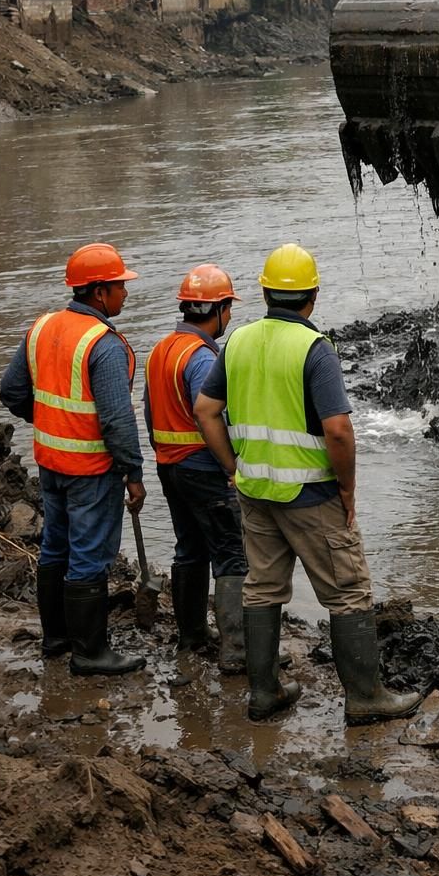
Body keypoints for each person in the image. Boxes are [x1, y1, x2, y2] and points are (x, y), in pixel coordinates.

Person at [194, 243, 422, 725]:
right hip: (313, 493)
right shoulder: (313, 349)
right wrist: (347, 489)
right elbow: (338, 430)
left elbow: (205, 410)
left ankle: (264, 694)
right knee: (349, 593)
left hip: (256, 492)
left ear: (263, 293)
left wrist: (233, 467)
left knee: (262, 589)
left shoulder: (237, 342)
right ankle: (364, 698)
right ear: (312, 297)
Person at [0, 242, 146, 676]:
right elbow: (118, 421)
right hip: (91, 470)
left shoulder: (42, 327)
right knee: (89, 556)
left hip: (50, 462)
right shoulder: (103, 345)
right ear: (99, 293)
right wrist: (134, 474)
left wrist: (48, 421)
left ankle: (57, 638)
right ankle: (90, 653)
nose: (125, 293)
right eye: (120, 286)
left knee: (55, 548)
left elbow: (11, 392)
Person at [144, 263, 246, 673]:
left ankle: (191, 637)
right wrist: (231, 466)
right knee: (231, 555)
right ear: (219, 308)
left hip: (169, 467)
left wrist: (163, 456)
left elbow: (150, 415)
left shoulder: (160, 350)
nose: (230, 316)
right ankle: (236, 650)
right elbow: (210, 416)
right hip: (203, 470)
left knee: (189, 548)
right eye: (229, 308)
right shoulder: (202, 358)